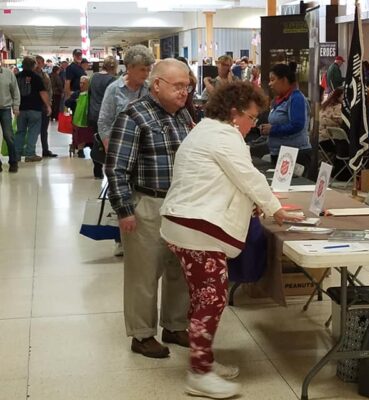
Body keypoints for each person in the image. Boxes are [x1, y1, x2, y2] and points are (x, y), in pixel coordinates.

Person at [160, 81, 302, 398]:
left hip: (186, 223)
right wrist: (274, 208)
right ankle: (199, 374)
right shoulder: (224, 136)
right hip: (197, 228)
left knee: (202, 298)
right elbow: (247, 176)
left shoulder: (207, 130)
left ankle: (205, 362)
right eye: (252, 117)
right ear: (235, 113)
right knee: (211, 299)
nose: (254, 123)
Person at [104, 59, 194, 359]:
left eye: (187, 86)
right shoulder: (133, 116)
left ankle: (175, 324)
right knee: (144, 274)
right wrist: (124, 210)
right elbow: (116, 168)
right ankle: (142, 335)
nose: (185, 92)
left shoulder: (182, 115)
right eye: (178, 86)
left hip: (181, 203)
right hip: (148, 203)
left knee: (178, 269)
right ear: (157, 85)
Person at [98, 45, 154, 257]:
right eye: (142, 69)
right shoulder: (114, 89)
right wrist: (110, 149)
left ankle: (141, 237)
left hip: (144, 151)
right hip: (119, 150)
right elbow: (104, 122)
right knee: (120, 194)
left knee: (139, 195)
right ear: (129, 68)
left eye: (148, 69)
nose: (146, 74)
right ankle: (120, 239)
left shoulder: (148, 89)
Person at [259, 63, 311, 169]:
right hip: (279, 152)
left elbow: (297, 125)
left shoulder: (296, 99)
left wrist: (272, 129)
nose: (270, 84)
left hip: (294, 154)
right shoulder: (279, 100)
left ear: (284, 80)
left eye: (273, 80)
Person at [14, 56, 52, 162]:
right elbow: (43, 92)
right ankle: (30, 154)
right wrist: (48, 106)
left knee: (20, 131)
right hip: (35, 109)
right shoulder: (36, 77)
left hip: (21, 109)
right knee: (33, 131)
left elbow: (12, 91)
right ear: (33, 66)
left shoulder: (16, 77)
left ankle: (16, 154)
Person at [88, 56, 118, 178]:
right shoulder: (112, 80)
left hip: (93, 113)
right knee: (108, 141)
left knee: (97, 141)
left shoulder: (94, 77)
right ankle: (110, 168)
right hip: (106, 115)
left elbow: (89, 93)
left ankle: (97, 167)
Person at [34, 55, 57, 158]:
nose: (38, 65)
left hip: (44, 105)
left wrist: (49, 103)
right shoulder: (31, 76)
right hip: (34, 106)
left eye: (40, 63)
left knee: (44, 130)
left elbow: (49, 90)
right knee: (33, 130)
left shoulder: (45, 76)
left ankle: (45, 150)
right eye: (36, 63)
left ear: (43, 64)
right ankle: (31, 151)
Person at [0, 62, 20, 173]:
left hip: (5, 108)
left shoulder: (8, 74)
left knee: (8, 135)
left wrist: (16, 106)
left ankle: (13, 162)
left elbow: (15, 91)